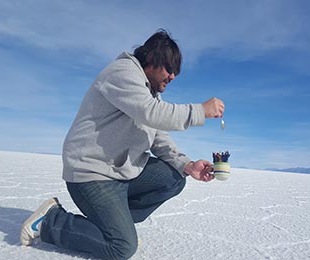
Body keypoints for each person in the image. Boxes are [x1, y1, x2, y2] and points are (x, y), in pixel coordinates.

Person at [20, 30, 225, 260]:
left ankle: (117, 224)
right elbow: (152, 114)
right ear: (151, 60)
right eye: (169, 68)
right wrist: (200, 111)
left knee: (175, 177)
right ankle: (51, 221)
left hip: (120, 174)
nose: (173, 76)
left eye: (176, 72)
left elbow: (157, 135)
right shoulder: (123, 73)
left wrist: (187, 165)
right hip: (91, 175)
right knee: (122, 247)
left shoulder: (149, 94)